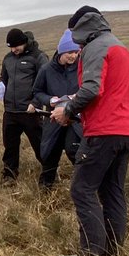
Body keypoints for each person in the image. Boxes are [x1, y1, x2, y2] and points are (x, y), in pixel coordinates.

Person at [51, 7, 129, 256]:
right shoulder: (119, 46)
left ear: (80, 28)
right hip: (128, 130)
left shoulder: (95, 47)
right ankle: (111, 251)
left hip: (104, 131)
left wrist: (67, 110)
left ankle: (91, 255)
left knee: (82, 189)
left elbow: (92, 89)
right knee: (112, 190)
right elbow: (110, 91)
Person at [33, 30, 82, 189]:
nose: (73, 56)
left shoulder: (82, 67)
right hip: (53, 118)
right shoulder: (46, 70)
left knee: (74, 151)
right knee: (49, 154)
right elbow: (37, 91)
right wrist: (50, 100)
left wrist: (77, 97)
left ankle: (83, 187)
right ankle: (45, 188)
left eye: (76, 52)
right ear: (61, 51)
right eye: (69, 52)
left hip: (74, 119)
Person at [0, 28, 49, 182]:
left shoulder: (38, 57)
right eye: (11, 47)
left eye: (16, 46)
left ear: (24, 42)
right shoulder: (8, 58)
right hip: (10, 111)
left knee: (39, 143)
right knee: (10, 145)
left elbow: (45, 82)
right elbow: (3, 80)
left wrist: (35, 103)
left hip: (30, 111)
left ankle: (50, 171)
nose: (14, 50)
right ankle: (9, 175)